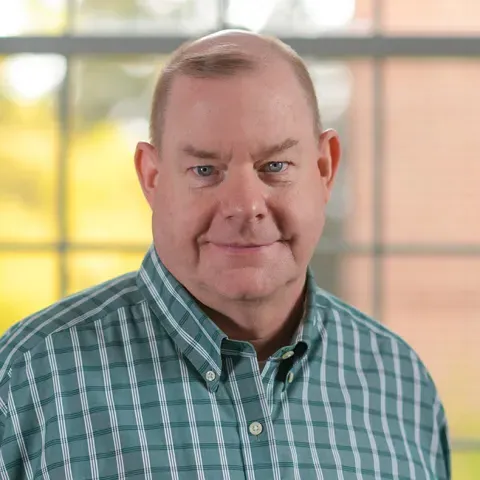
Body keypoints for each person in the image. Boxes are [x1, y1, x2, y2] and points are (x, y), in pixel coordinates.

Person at [0, 30, 450, 480]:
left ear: (324, 168)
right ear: (152, 177)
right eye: (204, 170)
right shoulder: (28, 382)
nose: (244, 206)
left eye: (274, 166)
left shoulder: (402, 384)